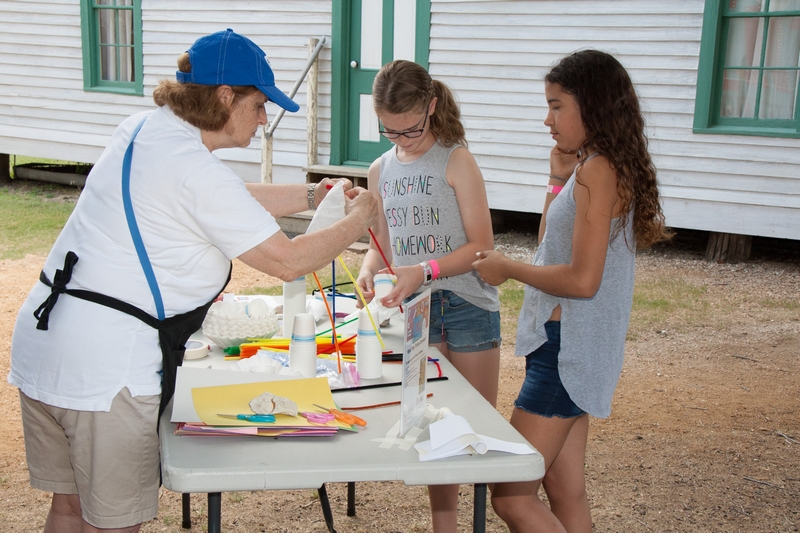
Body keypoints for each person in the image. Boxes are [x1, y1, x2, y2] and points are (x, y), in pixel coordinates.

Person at [8, 29, 377, 533]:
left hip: (46, 343)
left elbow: (223, 197)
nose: (264, 117)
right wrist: (359, 221)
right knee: (111, 524)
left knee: (70, 509)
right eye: (260, 103)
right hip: (105, 371)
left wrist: (313, 196)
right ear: (225, 97)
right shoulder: (191, 168)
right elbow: (287, 262)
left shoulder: (143, 129)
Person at [472, 50, 672, 532]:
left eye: (557, 105)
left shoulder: (599, 171)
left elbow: (583, 280)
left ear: (593, 105)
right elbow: (551, 247)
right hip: (564, 348)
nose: (548, 119)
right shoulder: (595, 167)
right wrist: (556, 179)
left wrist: (507, 268)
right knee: (564, 490)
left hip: (568, 353)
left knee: (510, 493)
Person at [355, 60, 501, 533]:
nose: (402, 140)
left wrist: (425, 270)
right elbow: (384, 243)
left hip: (467, 306)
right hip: (419, 311)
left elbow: (482, 247)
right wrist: (368, 268)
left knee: (471, 425)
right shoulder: (380, 169)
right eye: (390, 132)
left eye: (412, 129)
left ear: (432, 106)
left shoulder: (456, 159)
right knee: (435, 427)